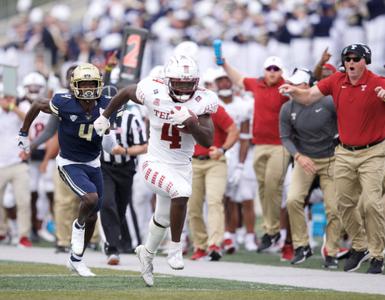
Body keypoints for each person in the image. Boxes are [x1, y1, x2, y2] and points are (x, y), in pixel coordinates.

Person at [93, 55, 218, 286]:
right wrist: (104, 116)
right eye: (178, 82)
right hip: (154, 163)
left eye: (188, 83)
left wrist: (191, 124)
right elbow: (124, 92)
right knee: (181, 192)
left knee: (162, 217)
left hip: (181, 165)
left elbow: (209, 140)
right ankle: (175, 249)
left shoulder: (203, 99)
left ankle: (147, 255)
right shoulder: (153, 90)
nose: (183, 87)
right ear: (168, 80)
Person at [279, 43, 385, 274]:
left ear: (366, 61)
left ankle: (377, 254)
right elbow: (308, 97)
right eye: (347, 58)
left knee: (370, 203)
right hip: (344, 152)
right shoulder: (337, 80)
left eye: (356, 58)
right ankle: (360, 245)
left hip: (373, 152)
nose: (351, 62)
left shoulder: (379, 83)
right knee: (342, 204)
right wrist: (293, 90)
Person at [18, 63, 109, 277]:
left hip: (94, 162)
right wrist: (23, 133)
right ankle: (76, 228)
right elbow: (38, 105)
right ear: (74, 85)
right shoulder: (64, 103)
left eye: (91, 83)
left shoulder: (105, 104)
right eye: (83, 83)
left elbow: (126, 96)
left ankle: (76, 259)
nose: (87, 88)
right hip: (69, 162)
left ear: (99, 85)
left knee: (93, 217)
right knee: (90, 198)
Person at [221, 55, 290, 252]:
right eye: (269, 69)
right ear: (264, 70)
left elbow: (306, 90)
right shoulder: (256, 84)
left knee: (271, 184)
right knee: (263, 188)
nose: (272, 72)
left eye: (276, 69)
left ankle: (272, 229)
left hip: (279, 144)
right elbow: (238, 78)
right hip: (259, 144)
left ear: (281, 72)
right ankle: (271, 231)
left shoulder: (287, 86)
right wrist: (225, 64)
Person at [279, 68, 341, 269]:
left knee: (334, 208)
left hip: (331, 159)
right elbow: (285, 137)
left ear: (307, 86)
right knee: (293, 199)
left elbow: (344, 123)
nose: (292, 87)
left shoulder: (328, 102)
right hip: (304, 159)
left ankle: (331, 251)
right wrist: (298, 156)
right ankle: (301, 245)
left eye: (296, 84)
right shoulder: (287, 108)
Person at [188, 104, 238, 261]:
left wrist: (222, 149)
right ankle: (200, 245)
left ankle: (214, 244)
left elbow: (233, 131)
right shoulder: (184, 109)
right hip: (192, 162)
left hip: (215, 160)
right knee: (193, 206)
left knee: (214, 201)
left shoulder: (215, 109)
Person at [100, 106, 148, 265]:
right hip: (103, 167)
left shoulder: (131, 118)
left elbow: (144, 146)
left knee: (121, 208)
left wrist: (125, 151)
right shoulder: (95, 117)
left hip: (125, 169)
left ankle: (115, 239)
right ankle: (112, 247)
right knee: (107, 203)